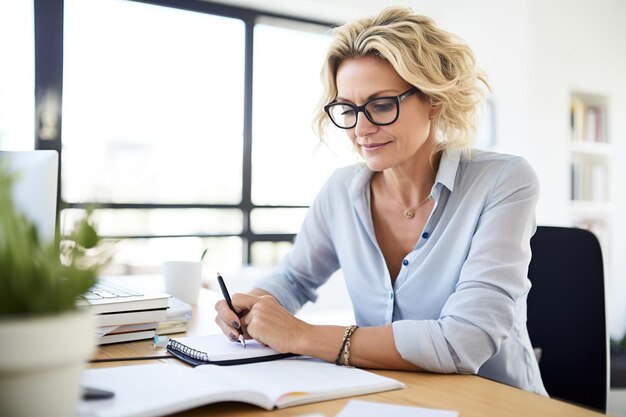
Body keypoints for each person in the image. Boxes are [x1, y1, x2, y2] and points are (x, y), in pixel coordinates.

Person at [215, 6, 547, 396]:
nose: (361, 128)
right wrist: (253, 305)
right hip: (384, 397)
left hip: (496, 402)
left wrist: (302, 336)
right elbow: (295, 277)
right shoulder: (342, 191)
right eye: (348, 109)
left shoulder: (504, 181)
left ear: (434, 100)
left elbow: (466, 340)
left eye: (382, 105)